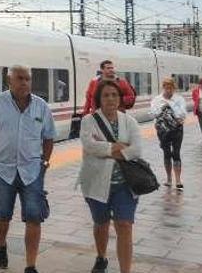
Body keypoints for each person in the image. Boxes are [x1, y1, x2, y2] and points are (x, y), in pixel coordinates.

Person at [0, 65, 56, 273]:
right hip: (2, 170)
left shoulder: (41, 107)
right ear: (9, 80)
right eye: (20, 78)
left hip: (32, 172)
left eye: (28, 79)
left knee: (34, 217)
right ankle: (1, 244)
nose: (25, 83)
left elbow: (49, 137)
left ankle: (30, 265)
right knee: (2, 215)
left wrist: (45, 164)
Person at [78, 80, 142, 273]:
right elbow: (89, 145)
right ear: (99, 99)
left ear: (120, 98)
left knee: (124, 225)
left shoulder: (129, 121)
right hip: (95, 183)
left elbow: (137, 150)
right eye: (106, 95)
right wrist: (117, 146)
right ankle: (101, 256)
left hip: (125, 184)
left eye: (114, 95)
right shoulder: (88, 121)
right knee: (101, 223)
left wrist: (103, 148)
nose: (111, 99)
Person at [149, 78, 187, 189]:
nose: (169, 90)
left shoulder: (179, 99)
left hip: (177, 129)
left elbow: (183, 114)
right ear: (163, 87)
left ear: (174, 88)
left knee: (176, 153)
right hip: (163, 130)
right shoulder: (157, 100)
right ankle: (169, 178)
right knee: (166, 153)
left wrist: (170, 106)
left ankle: (178, 180)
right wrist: (163, 108)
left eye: (171, 88)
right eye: (166, 88)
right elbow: (153, 113)